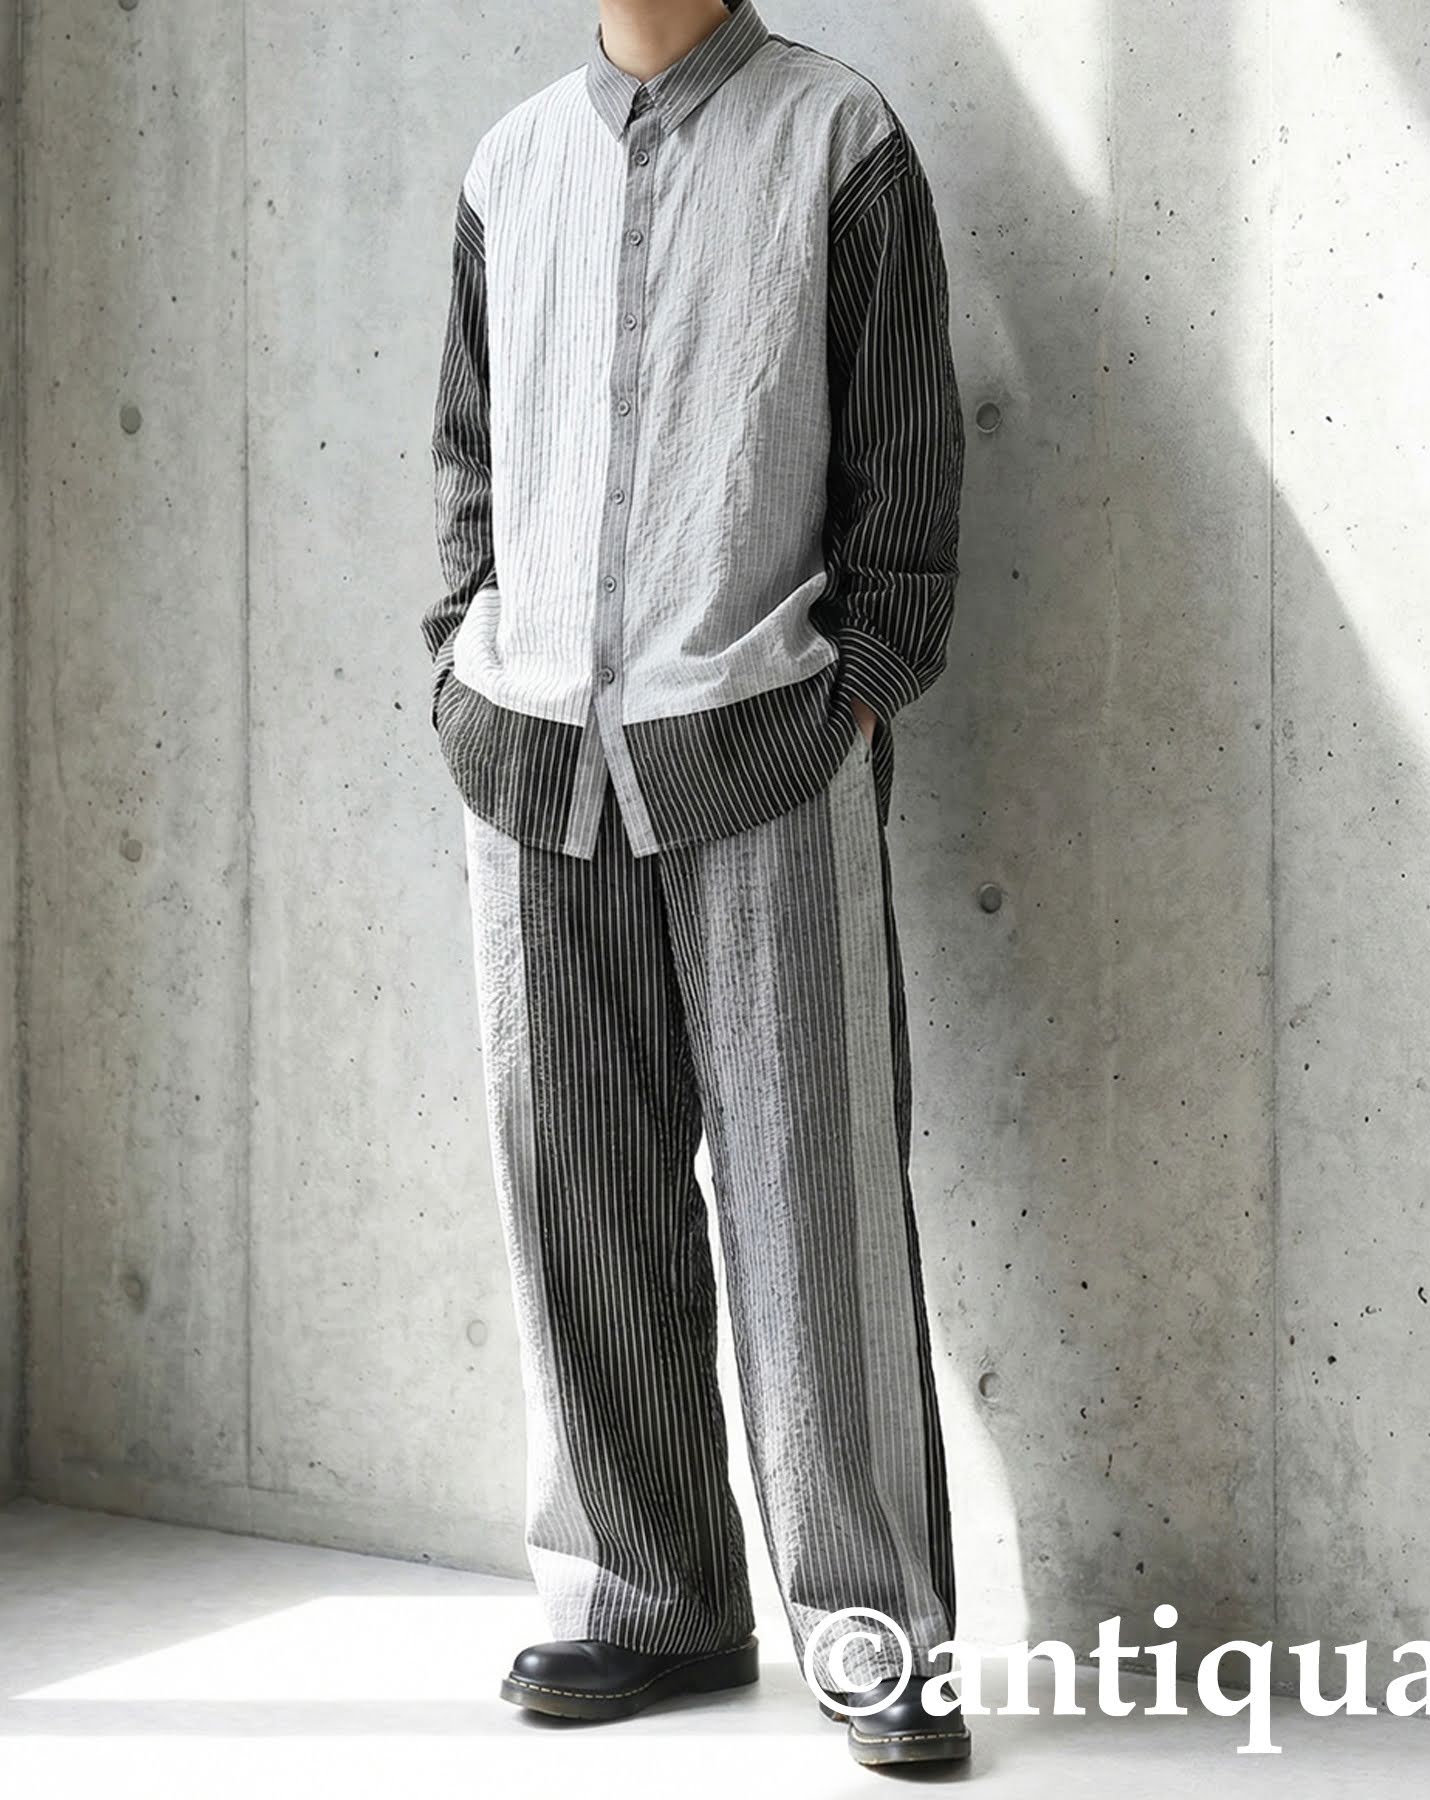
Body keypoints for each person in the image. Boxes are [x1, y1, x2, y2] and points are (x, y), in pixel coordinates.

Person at [423, 0, 968, 1768]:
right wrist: (460, 661)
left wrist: (859, 688)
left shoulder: (840, 138)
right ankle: (641, 1605)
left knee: (818, 1209)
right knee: (577, 1201)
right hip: (530, 760)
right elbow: (470, 455)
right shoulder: (511, 164)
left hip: (764, 744)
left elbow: (907, 473)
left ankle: (874, 1637)